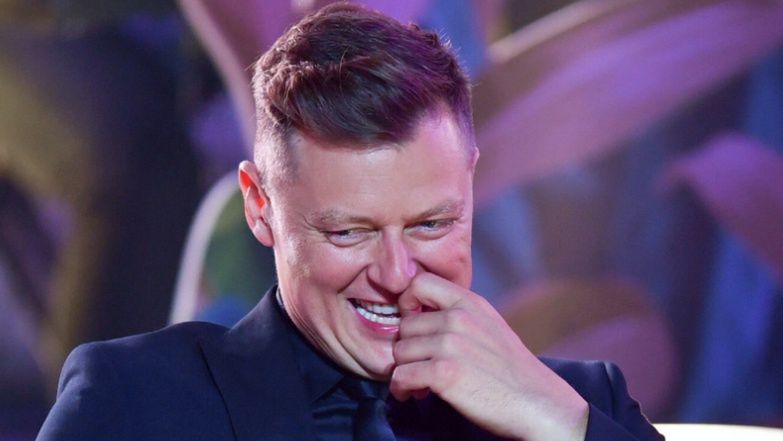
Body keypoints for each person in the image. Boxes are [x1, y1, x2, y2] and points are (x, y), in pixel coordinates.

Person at [37, 3, 663, 440]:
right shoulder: (135, 401)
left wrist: (561, 424)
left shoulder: (585, 405)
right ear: (260, 208)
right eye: (349, 232)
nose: (396, 274)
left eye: (430, 224)